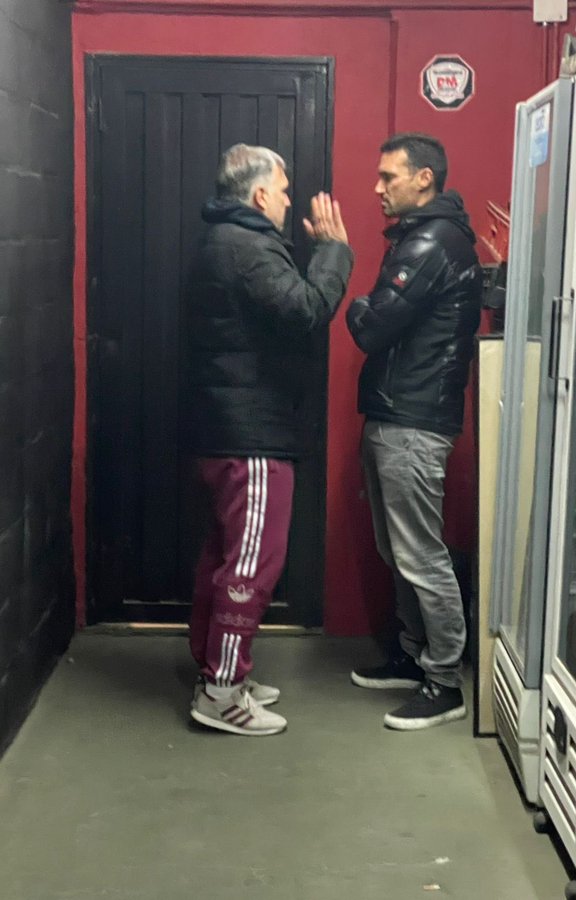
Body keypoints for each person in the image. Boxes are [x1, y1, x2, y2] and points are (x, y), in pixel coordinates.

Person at [185, 143, 352, 736]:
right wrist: (335, 251)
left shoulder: (224, 240)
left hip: (227, 429)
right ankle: (221, 693)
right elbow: (308, 308)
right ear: (259, 195)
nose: (287, 200)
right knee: (251, 564)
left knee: (224, 557)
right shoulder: (248, 245)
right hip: (249, 435)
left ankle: (216, 669)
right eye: (283, 189)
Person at [346, 133, 482, 731]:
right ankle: (412, 655)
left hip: (414, 421)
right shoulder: (421, 237)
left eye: (387, 176)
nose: (377, 188)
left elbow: (371, 328)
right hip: (398, 414)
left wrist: (355, 304)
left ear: (423, 178)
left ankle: (445, 682)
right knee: (396, 550)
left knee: (421, 555)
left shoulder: (430, 242)